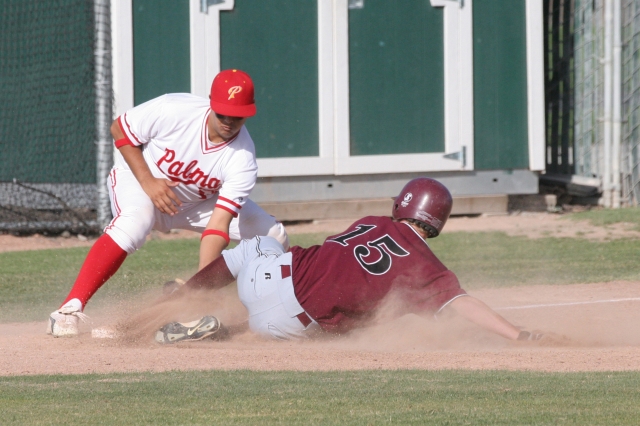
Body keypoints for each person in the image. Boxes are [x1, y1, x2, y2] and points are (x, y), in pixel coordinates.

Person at [153, 177, 542, 344]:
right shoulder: (425, 267)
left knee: (261, 244)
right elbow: (462, 303)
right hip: (287, 327)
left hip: (267, 279)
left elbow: (337, 260)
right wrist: (518, 334)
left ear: (402, 206)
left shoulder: (371, 222)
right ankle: (232, 331)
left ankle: (186, 293)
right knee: (352, 321)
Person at [48, 69, 288, 337]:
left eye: (238, 116)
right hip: (139, 182)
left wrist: (201, 287)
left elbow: (218, 225)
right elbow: (120, 129)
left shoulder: (242, 157)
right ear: (211, 103)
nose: (229, 121)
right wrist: (148, 181)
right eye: (223, 113)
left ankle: (267, 308)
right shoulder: (175, 109)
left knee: (273, 236)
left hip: (197, 203)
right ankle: (69, 309)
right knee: (134, 222)